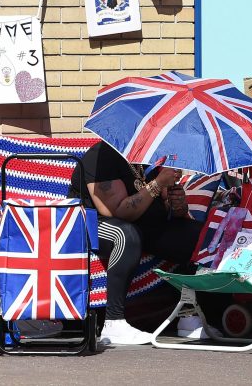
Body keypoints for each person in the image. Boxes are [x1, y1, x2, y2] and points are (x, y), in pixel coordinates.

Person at [69, 142, 219, 345]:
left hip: (141, 225)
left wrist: (177, 206)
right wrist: (158, 183)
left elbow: (157, 209)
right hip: (92, 223)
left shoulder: (145, 157)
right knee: (126, 236)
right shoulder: (101, 156)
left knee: (198, 235)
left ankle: (189, 315)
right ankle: (113, 323)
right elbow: (118, 212)